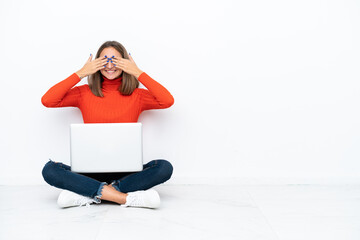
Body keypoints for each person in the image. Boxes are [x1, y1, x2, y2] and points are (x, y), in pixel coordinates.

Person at [41, 41, 174, 209]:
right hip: (89, 171)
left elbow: (167, 101)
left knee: (164, 168)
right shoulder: (84, 93)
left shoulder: (137, 95)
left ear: (125, 63)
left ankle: (89, 193)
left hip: (127, 172)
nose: (110, 65)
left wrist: (138, 72)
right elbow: (48, 100)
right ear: (96, 64)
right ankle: (123, 198)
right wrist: (81, 73)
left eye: (116, 60)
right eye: (104, 60)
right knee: (49, 170)